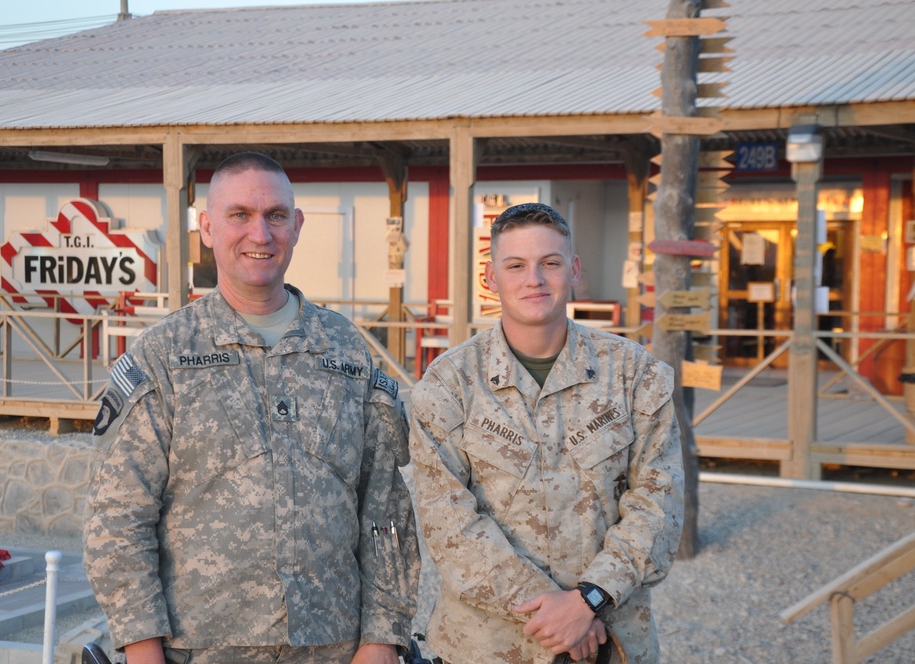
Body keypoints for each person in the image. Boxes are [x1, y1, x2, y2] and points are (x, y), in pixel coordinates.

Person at [84, 151, 419, 664]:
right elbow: (118, 514)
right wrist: (142, 647)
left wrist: (383, 638)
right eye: (239, 214)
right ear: (207, 228)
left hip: (335, 647)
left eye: (275, 215)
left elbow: (385, 507)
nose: (260, 234)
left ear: (297, 225)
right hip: (201, 648)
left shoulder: (345, 349)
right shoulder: (164, 355)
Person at [408, 203, 683, 664]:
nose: (533, 279)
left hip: (610, 643)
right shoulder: (450, 384)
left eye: (550, 263)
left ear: (573, 270)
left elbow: (660, 502)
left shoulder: (633, 374)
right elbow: (447, 523)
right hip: (488, 649)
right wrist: (556, 614)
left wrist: (590, 599)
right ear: (491, 277)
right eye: (515, 265)